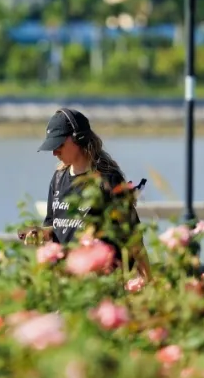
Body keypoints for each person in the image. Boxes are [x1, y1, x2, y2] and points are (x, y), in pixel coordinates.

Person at [27, 108, 150, 277]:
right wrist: (41, 233)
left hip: (103, 279)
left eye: (59, 144)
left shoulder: (108, 180)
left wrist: (148, 280)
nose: (55, 152)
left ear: (79, 138)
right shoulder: (58, 179)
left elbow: (132, 236)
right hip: (67, 281)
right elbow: (52, 226)